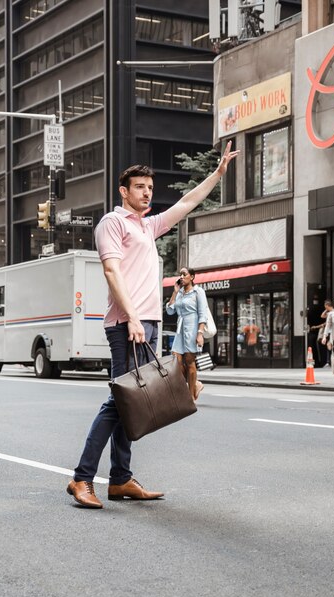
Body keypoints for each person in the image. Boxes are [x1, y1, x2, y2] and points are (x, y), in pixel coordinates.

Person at [67, 141, 240, 509]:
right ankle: (82, 478)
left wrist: (217, 174)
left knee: (133, 401)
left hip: (145, 323)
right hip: (125, 323)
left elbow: (186, 203)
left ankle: (120, 479)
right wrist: (131, 318)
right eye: (140, 188)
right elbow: (112, 271)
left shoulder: (148, 227)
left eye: (150, 188)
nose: (148, 193)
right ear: (124, 191)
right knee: (120, 400)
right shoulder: (113, 224)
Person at [166, 267, 207, 401]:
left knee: (190, 362)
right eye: (180, 275)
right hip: (180, 330)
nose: (181, 277)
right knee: (176, 363)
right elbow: (170, 311)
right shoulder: (180, 293)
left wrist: (200, 333)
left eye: (184, 274)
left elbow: (202, 314)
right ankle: (195, 384)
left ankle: (190, 397)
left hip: (192, 329)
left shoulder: (198, 292)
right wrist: (175, 292)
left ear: (192, 277)